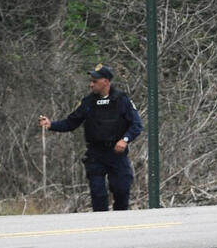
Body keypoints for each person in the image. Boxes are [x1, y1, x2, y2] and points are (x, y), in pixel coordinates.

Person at [39, 63, 143, 210]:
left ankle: (120, 226)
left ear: (105, 81)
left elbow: (136, 125)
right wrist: (51, 125)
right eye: (91, 81)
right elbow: (71, 122)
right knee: (98, 194)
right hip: (95, 154)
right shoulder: (88, 102)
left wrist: (124, 140)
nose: (91, 84)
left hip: (116, 153)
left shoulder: (121, 100)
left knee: (121, 190)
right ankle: (100, 227)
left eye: (95, 81)